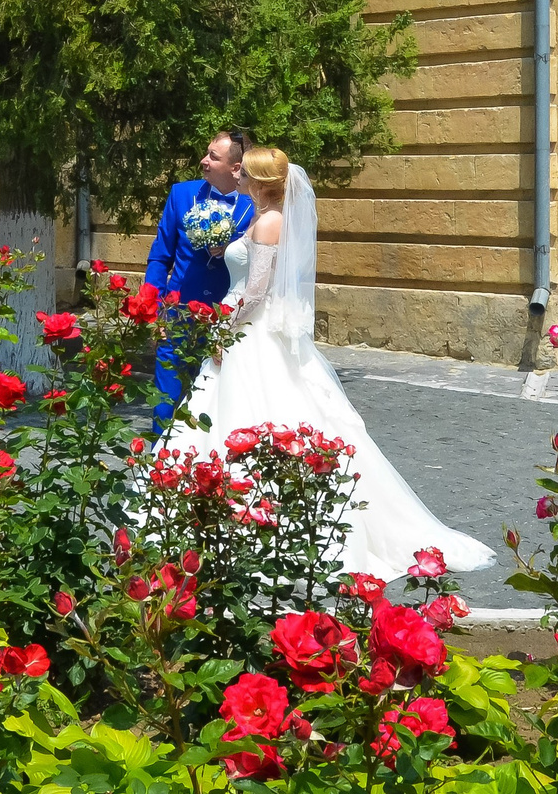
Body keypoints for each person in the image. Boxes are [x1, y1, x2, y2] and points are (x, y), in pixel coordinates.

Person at [175, 146, 494, 579]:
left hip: (248, 329)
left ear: (261, 183)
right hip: (243, 326)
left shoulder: (269, 222)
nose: (241, 180)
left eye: (246, 175)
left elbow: (256, 292)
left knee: (257, 409)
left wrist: (223, 329)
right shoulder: (258, 216)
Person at [144, 130, 255, 428]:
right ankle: (156, 470)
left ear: (236, 167)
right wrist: (154, 313)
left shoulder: (256, 206)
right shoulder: (182, 194)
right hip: (177, 317)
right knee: (164, 407)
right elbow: (159, 258)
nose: (203, 161)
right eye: (206, 153)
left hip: (226, 322)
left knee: (215, 411)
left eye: (213, 157)